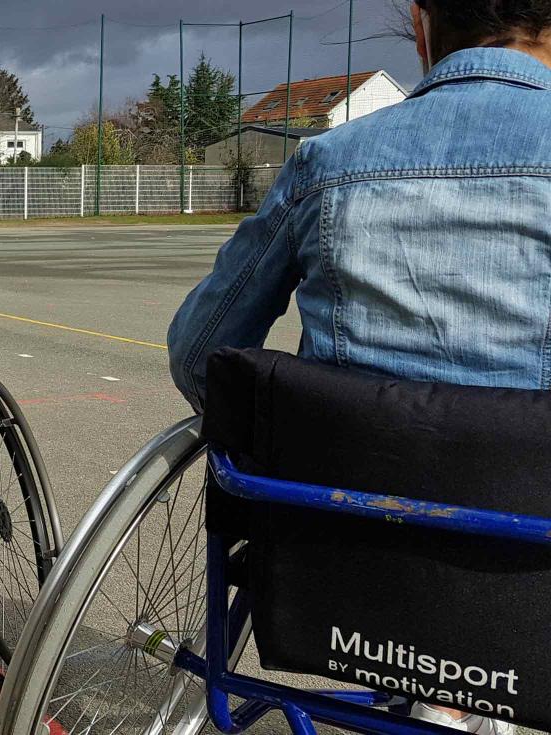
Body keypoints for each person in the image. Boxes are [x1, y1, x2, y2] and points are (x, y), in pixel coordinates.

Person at [167, 2, 550, 732]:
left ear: (420, 24)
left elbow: (197, 356)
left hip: (335, 577)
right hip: (524, 598)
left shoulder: (327, 160)